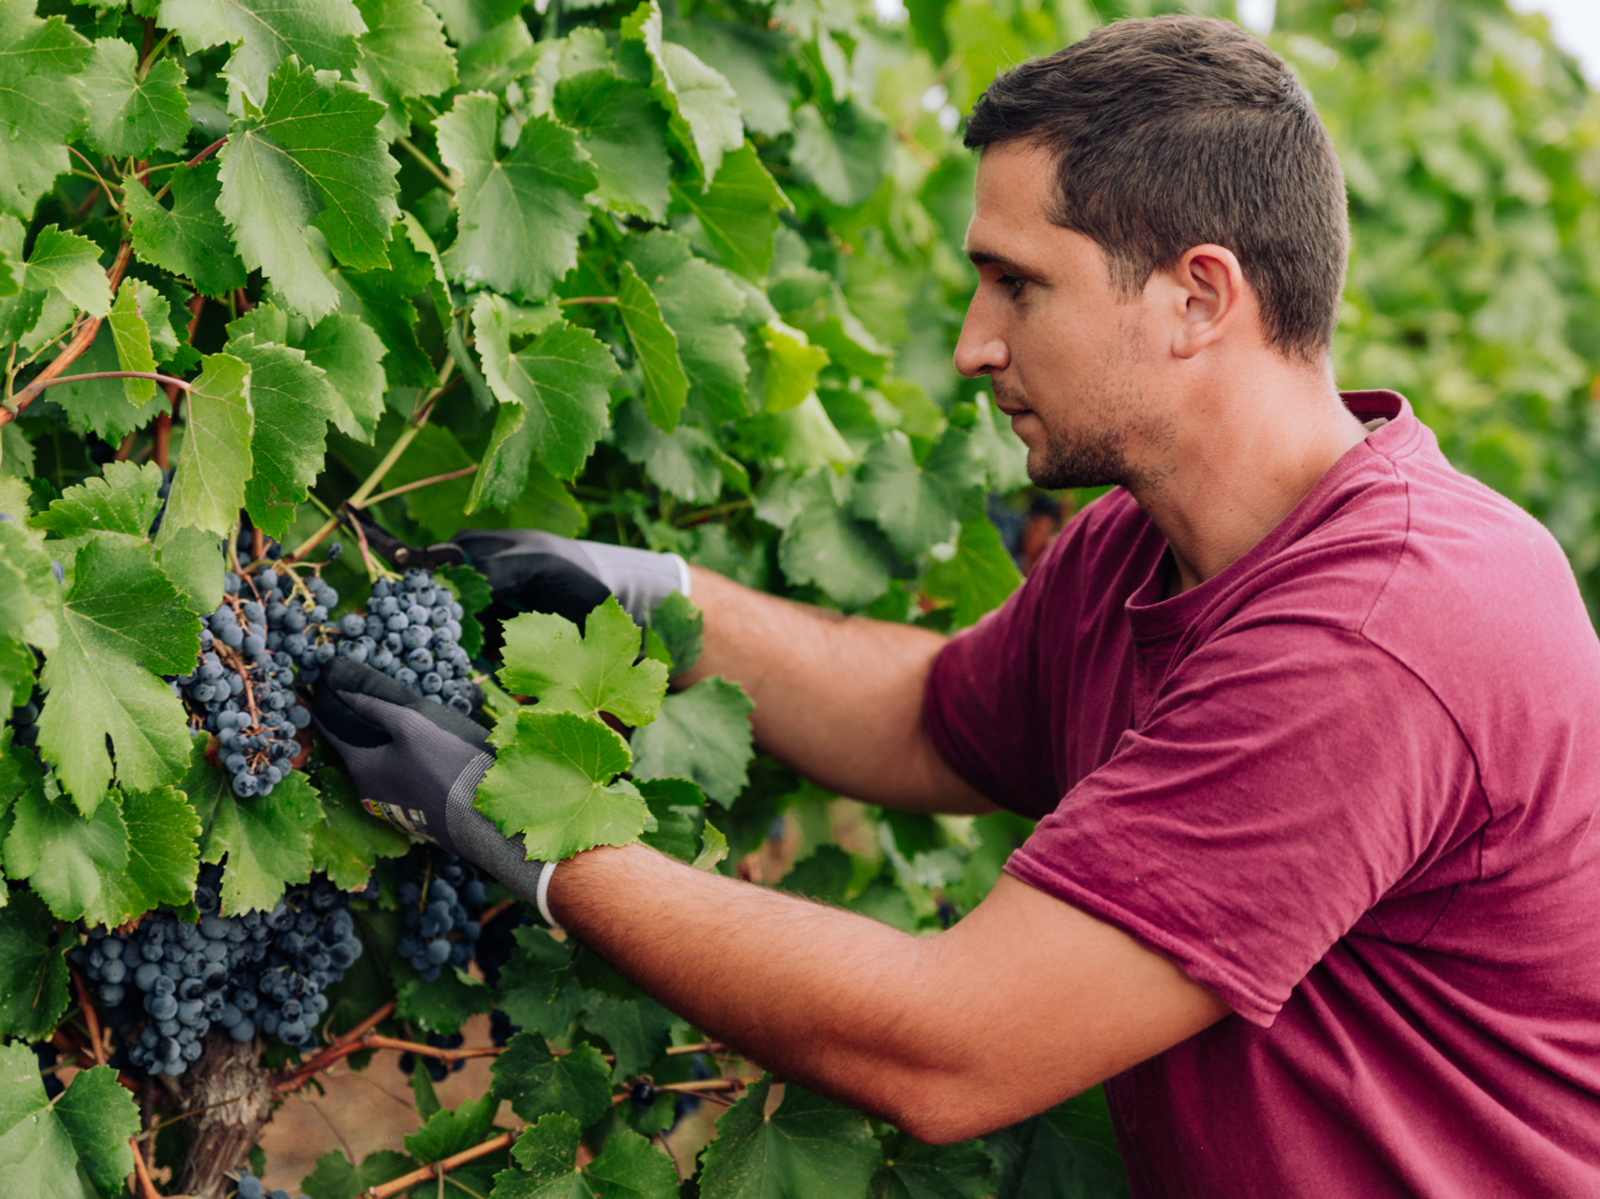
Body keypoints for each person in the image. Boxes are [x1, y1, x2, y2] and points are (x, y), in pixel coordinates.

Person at [314, 15, 1600, 1197]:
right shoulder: (1138, 548)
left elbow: (951, 1047)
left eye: (1018, 283)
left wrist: (533, 840)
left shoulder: (1380, 632)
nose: (974, 343)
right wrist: (664, 597)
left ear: (1197, 297)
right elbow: (935, 720)